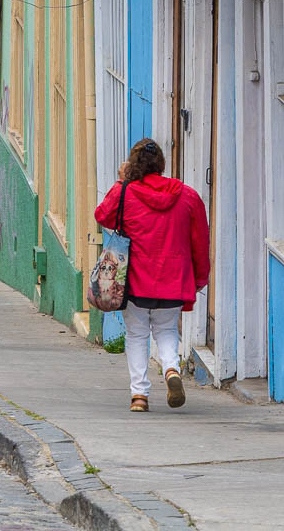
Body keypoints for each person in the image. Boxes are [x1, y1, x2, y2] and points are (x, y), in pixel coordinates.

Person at [94, 138, 210, 412]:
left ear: (133, 166)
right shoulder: (189, 197)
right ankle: (171, 369)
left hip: (135, 280)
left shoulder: (126, 193)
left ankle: (139, 396)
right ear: (161, 164)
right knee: (167, 330)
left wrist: (121, 182)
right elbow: (200, 241)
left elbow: (103, 216)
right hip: (174, 280)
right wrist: (200, 277)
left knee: (136, 335)